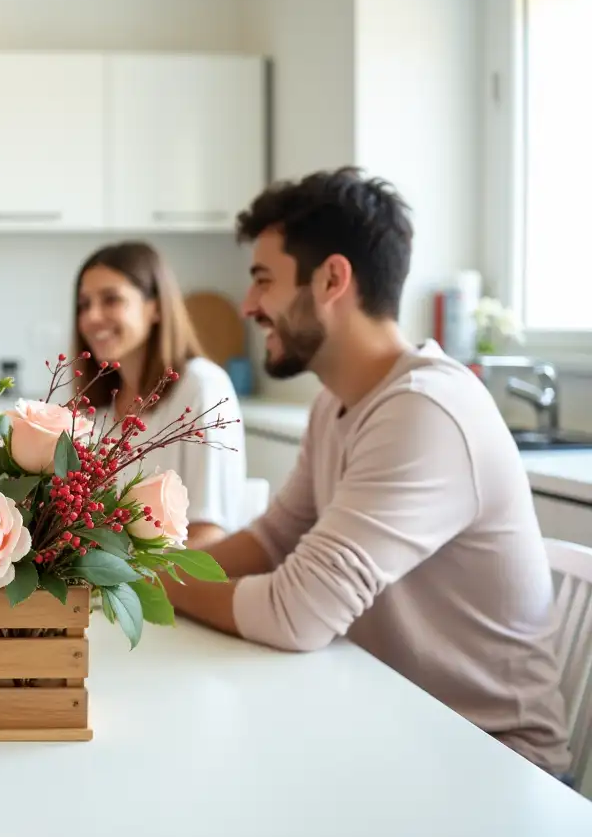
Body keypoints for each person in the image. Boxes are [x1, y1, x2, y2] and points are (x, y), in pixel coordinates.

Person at [162, 166, 572, 779]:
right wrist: (147, 569)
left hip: (494, 767)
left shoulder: (425, 411)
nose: (248, 306)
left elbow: (293, 614)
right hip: (396, 729)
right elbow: (274, 539)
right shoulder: (337, 402)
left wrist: (162, 587)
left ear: (332, 279)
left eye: (263, 281)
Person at [74, 241, 247, 549]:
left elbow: (210, 535)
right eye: (84, 304)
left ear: (155, 307)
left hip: (173, 592)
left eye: (111, 300)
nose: (92, 316)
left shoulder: (202, 386)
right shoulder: (96, 409)